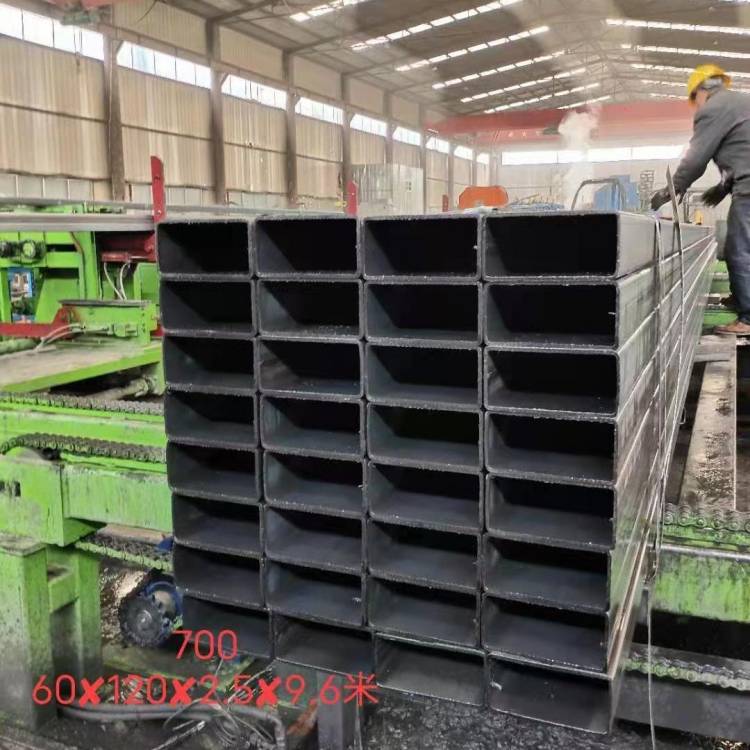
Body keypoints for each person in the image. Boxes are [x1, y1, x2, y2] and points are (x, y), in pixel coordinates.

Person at [651, 64, 750, 335]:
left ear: (701, 91)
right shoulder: (741, 102)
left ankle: (748, 318)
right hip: (743, 183)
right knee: (739, 245)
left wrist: (673, 188)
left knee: (739, 249)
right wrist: (723, 187)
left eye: (694, 100)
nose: (696, 106)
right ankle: (741, 298)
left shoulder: (712, 109)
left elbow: (696, 158)